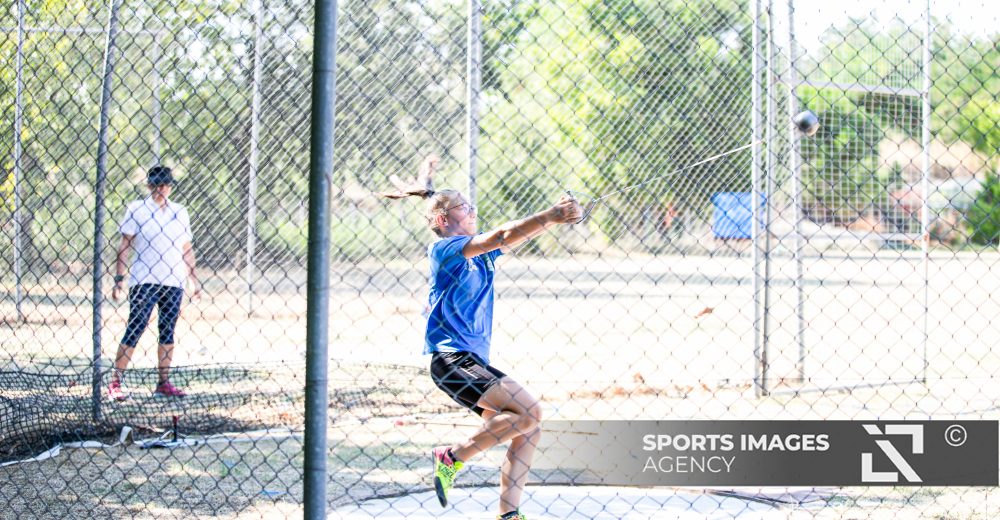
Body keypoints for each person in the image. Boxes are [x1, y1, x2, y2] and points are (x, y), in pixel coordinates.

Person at [386, 156, 582, 520]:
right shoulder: (445, 250)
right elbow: (503, 235)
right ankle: (451, 457)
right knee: (530, 411)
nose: (473, 210)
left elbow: (514, 236)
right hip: (451, 360)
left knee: (528, 427)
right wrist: (553, 215)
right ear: (443, 220)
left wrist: (557, 217)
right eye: (464, 206)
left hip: (470, 361)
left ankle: (509, 514)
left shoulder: (481, 255)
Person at [108, 165, 200, 400]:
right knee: (136, 327)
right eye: (156, 185)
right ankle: (115, 383)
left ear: (170, 186)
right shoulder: (137, 209)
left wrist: (193, 280)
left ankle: (163, 383)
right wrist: (119, 279)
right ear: (149, 186)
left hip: (174, 280)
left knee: (167, 330)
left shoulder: (180, 211)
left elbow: (186, 248)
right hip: (144, 280)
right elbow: (124, 246)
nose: (161, 189)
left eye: (165, 185)